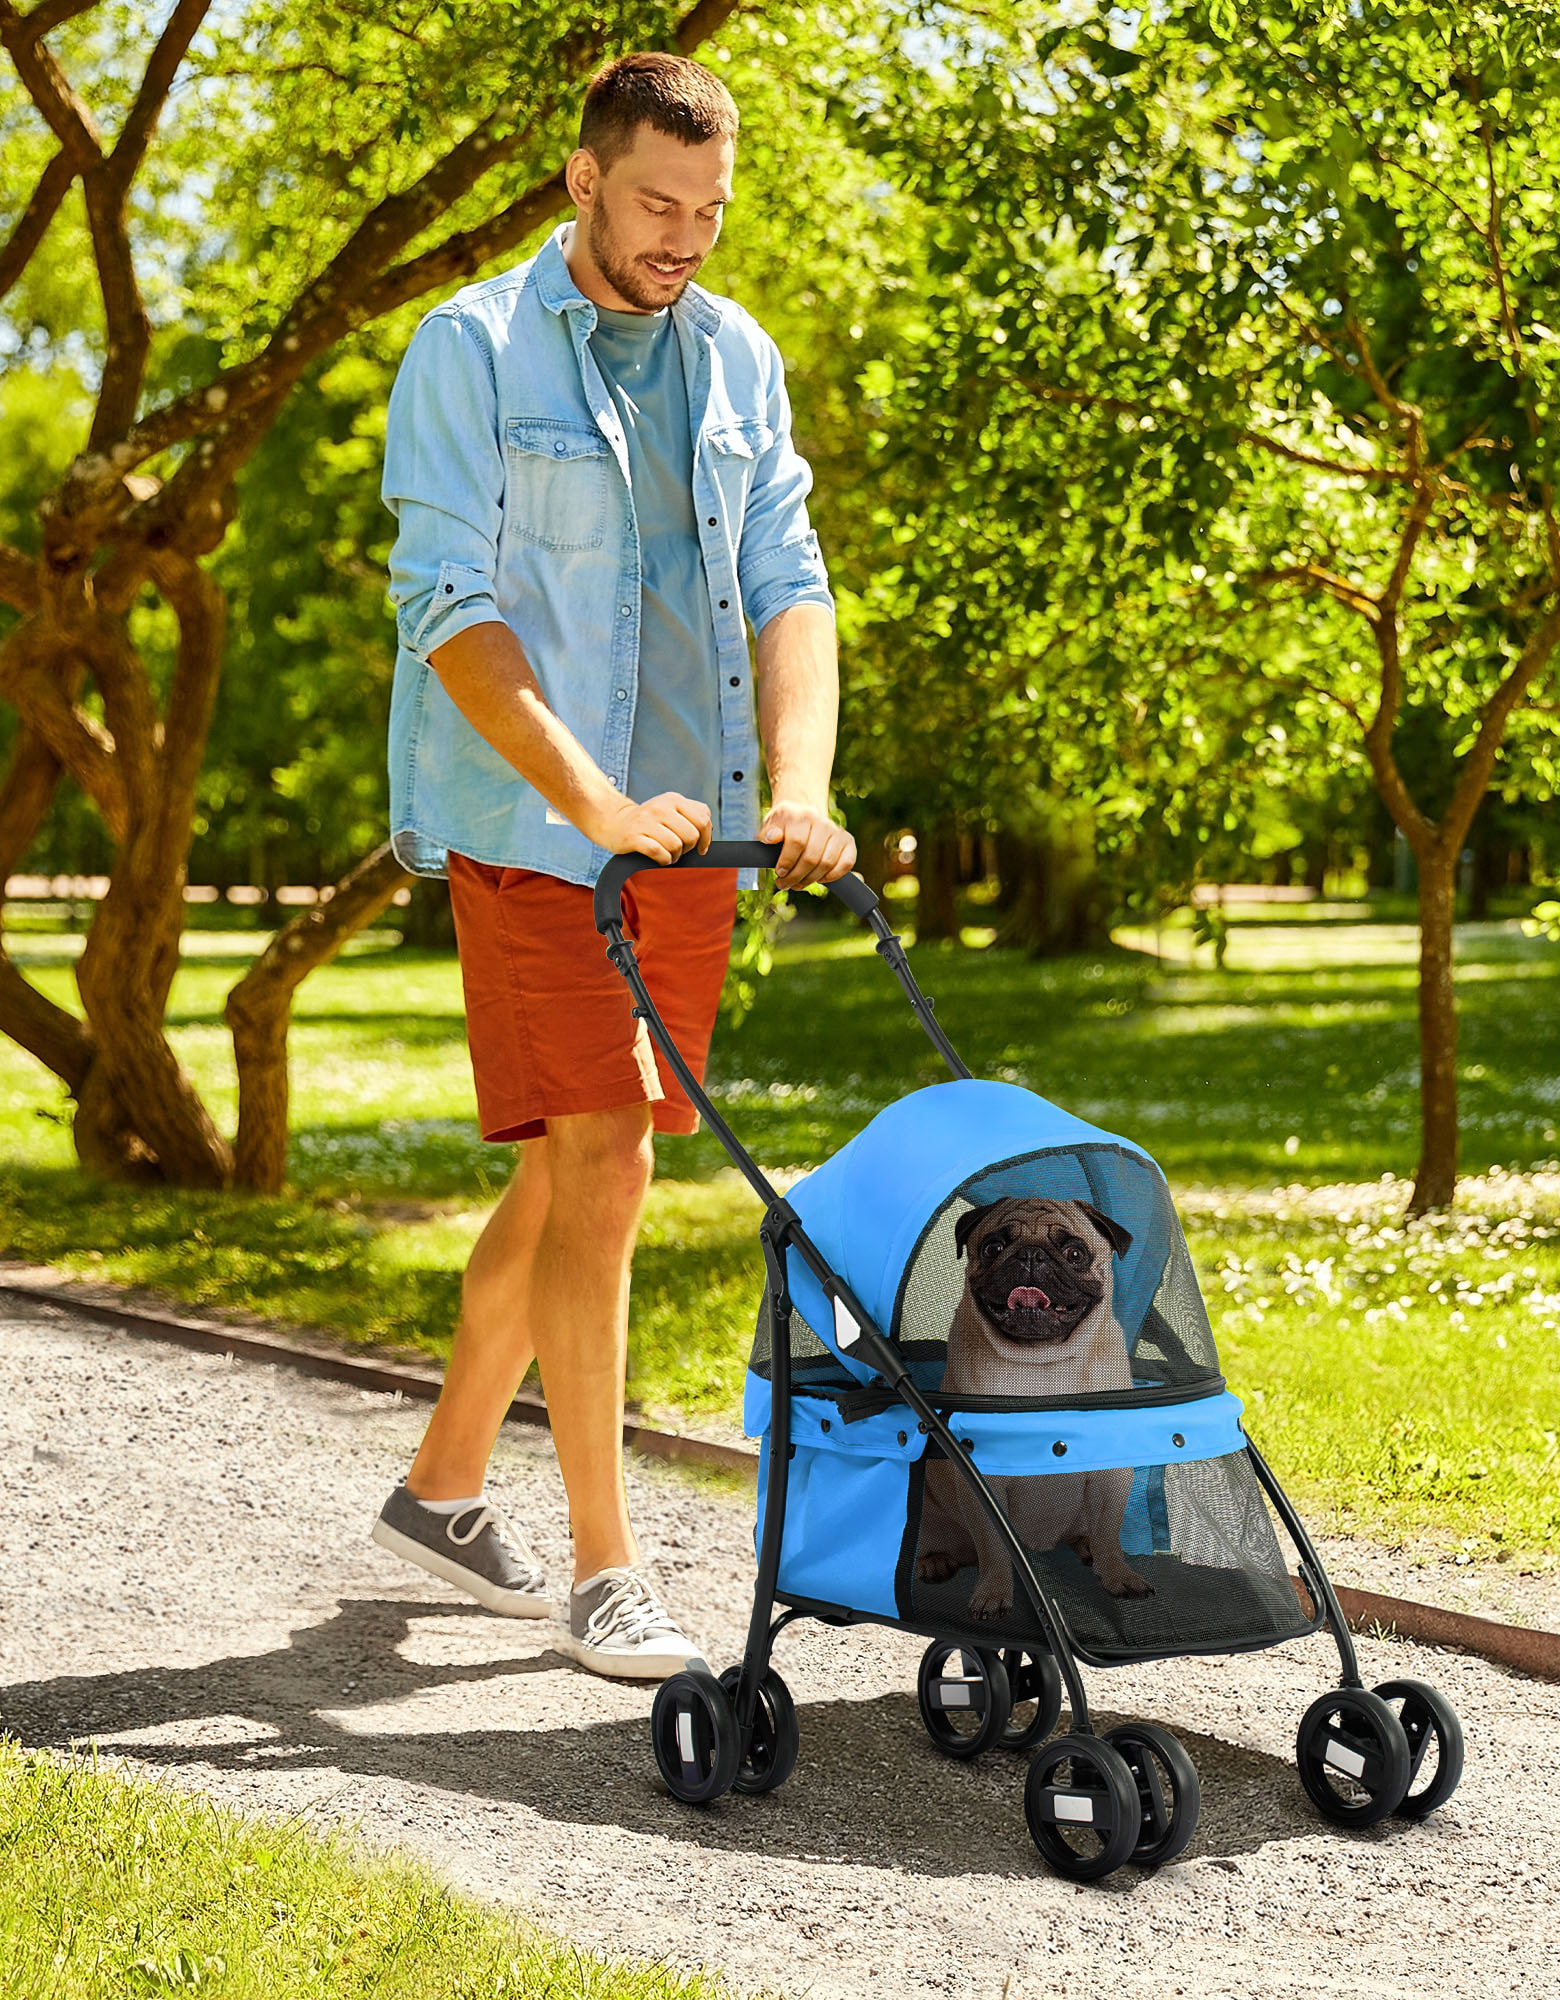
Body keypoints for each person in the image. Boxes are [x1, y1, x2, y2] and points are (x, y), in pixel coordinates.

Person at [369, 50, 856, 1678]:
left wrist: (800, 784)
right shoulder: (474, 349)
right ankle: (606, 1563)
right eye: (658, 204)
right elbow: (448, 604)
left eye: (710, 211)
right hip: (535, 831)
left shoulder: (733, 360)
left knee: (579, 1161)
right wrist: (586, 800)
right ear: (583, 180)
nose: (685, 239)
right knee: (614, 1166)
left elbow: (789, 575)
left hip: (694, 835)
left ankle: (443, 1489)